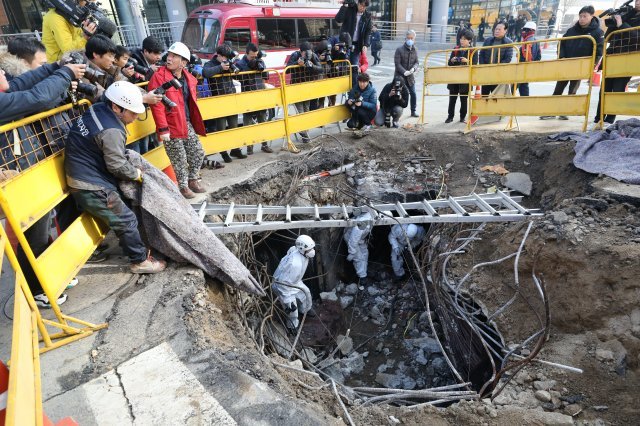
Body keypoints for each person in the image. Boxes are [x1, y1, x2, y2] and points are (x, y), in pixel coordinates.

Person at [64, 81, 166, 282]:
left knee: (124, 208)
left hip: (82, 173)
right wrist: (137, 174)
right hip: (89, 184)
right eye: (133, 113)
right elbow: (117, 166)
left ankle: (131, 245)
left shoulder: (98, 108)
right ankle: (139, 261)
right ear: (117, 107)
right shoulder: (111, 130)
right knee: (125, 219)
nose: (135, 118)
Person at [148, 42, 207, 199]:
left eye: (174, 56)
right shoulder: (159, 77)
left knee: (198, 152)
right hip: (170, 125)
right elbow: (157, 105)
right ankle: (183, 187)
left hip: (185, 122)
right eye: (169, 55)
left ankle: (193, 179)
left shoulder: (188, 78)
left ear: (184, 62)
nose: (169, 58)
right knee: (179, 158)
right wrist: (162, 129)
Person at [541, 6, 604, 121]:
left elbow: (599, 52)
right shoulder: (572, 30)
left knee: (572, 91)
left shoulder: (598, 33)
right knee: (558, 89)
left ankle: (565, 112)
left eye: (585, 16)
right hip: (566, 64)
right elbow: (562, 43)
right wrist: (562, 57)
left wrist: (591, 66)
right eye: (580, 16)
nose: (582, 19)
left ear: (591, 16)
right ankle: (551, 111)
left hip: (581, 66)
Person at [593, 0, 640, 127]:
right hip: (613, 55)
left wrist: (622, 24)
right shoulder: (626, 13)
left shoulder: (627, 19)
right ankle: (598, 119)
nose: (637, 2)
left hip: (628, 58)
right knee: (604, 89)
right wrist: (615, 21)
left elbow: (637, 38)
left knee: (617, 89)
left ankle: (609, 120)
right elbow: (608, 35)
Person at [0, 59, 85, 125]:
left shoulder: (4, 92)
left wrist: (55, 66)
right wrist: (66, 73)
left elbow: (21, 83)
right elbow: (36, 99)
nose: (3, 72)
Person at [203, 44, 245, 161]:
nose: (226, 60)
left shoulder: (229, 62)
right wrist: (220, 67)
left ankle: (235, 150)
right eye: (224, 57)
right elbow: (205, 73)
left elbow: (238, 70)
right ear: (219, 56)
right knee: (221, 128)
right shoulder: (210, 64)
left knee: (234, 126)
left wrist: (232, 66)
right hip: (218, 100)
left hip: (230, 97)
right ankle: (223, 152)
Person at [272, 235, 315, 334]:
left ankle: (306, 310)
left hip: (294, 281)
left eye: (312, 248)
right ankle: (292, 326)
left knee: (306, 293)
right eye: (309, 250)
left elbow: (290, 250)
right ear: (301, 249)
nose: (312, 251)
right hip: (283, 286)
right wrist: (287, 300)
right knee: (292, 310)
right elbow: (283, 283)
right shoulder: (295, 264)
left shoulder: (297, 251)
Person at [236, 43, 274, 154]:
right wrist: (250, 66)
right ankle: (249, 147)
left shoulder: (259, 60)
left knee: (263, 120)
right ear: (246, 53)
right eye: (252, 56)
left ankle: (264, 144)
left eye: (256, 56)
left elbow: (266, 76)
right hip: (247, 95)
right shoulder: (240, 63)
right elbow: (237, 77)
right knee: (247, 122)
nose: (254, 58)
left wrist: (259, 65)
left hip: (260, 94)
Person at [286, 42, 324, 143]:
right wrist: (296, 64)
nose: (307, 55)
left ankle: (305, 134)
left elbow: (321, 69)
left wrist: (311, 66)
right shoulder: (295, 55)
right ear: (301, 51)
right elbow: (287, 69)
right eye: (304, 53)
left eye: (309, 52)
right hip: (296, 87)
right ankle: (305, 136)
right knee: (300, 112)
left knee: (306, 111)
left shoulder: (313, 56)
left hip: (308, 88)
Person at [335, 0, 373, 86]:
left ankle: (354, 89)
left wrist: (366, 45)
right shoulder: (350, 9)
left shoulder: (367, 15)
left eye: (364, 7)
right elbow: (338, 19)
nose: (362, 8)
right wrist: (344, 6)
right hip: (345, 42)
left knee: (354, 67)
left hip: (356, 45)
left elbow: (368, 31)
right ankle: (342, 85)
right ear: (358, 3)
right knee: (343, 64)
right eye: (361, 5)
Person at [446, 29, 475, 123]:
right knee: (452, 99)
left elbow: (474, 65)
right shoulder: (456, 49)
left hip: (465, 80)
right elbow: (449, 63)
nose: (462, 41)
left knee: (464, 100)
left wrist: (467, 62)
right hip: (454, 78)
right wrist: (452, 60)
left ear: (469, 40)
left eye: (464, 39)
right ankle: (450, 117)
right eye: (461, 39)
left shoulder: (473, 51)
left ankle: (462, 117)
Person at [479, 21, 514, 96]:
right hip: (486, 72)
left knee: (496, 97)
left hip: (498, 74)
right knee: (484, 95)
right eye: (496, 29)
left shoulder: (509, 43)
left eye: (499, 29)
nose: (497, 31)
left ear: (505, 31)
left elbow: (508, 59)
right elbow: (481, 54)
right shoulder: (488, 40)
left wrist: (497, 68)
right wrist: (483, 66)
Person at [394, 30, 420, 118]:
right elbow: (397, 64)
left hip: (410, 77)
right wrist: (404, 72)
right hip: (400, 76)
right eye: (408, 38)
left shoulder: (415, 49)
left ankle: (413, 111)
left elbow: (417, 62)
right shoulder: (399, 49)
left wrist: (413, 68)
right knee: (399, 94)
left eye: (412, 38)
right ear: (405, 38)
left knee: (413, 93)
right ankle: (397, 112)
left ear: (414, 39)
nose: (410, 40)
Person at [343, 212, 372, 283]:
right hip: (350, 238)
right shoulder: (363, 223)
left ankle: (364, 272)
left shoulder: (372, 216)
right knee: (358, 257)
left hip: (360, 239)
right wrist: (352, 252)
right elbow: (353, 238)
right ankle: (362, 277)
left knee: (365, 253)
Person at [517, 22, 541, 97]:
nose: (523, 32)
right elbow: (538, 56)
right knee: (523, 84)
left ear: (530, 30)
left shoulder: (528, 41)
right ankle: (525, 100)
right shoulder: (536, 41)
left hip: (523, 67)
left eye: (525, 30)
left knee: (516, 84)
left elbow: (525, 56)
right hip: (529, 66)